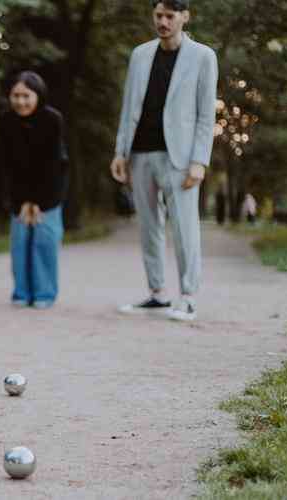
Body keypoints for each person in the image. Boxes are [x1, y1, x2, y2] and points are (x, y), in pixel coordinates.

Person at [111, 0, 218, 322]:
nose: (163, 22)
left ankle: (187, 297)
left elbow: (205, 114)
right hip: (141, 153)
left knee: (185, 229)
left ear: (184, 17)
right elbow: (129, 106)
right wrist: (121, 152)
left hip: (181, 157)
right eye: (158, 15)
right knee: (148, 227)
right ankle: (157, 294)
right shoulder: (140, 55)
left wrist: (200, 160)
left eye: (170, 16)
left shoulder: (203, 57)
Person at [0, 71, 68, 309]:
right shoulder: (4, 122)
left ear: (38, 95)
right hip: (18, 192)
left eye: (26, 96)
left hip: (49, 191)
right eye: (15, 96)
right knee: (20, 243)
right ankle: (22, 293)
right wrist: (22, 201)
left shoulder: (52, 119)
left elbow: (53, 164)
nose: (20, 101)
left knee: (43, 242)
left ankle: (44, 294)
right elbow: (6, 165)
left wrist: (37, 201)